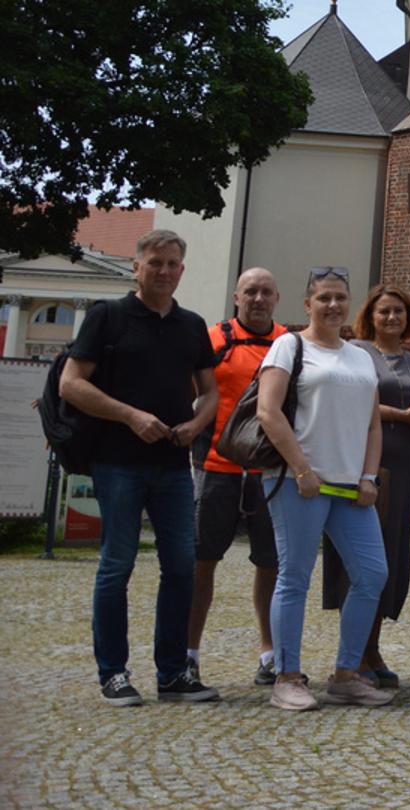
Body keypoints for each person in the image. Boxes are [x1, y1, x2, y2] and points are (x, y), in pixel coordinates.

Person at [61, 229, 221, 706]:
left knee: (180, 567)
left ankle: (173, 674)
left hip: (173, 463)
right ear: (136, 266)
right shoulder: (107, 317)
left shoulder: (192, 325)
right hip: (118, 462)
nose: (164, 271)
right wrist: (130, 416)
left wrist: (196, 424)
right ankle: (113, 673)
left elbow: (210, 391)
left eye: (173, 264)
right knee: (117, 565)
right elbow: (71, 384)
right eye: (155, 263)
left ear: (182, 270)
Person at [253, 267, 390, 711]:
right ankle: (287, 676)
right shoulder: (288, 346)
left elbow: (373, 423)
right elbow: (268, 412)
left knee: (372, 574)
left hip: (350, 487)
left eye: (340, 298)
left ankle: (346, 675)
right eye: (324, 298)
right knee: (294, 577)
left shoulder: (361, 356)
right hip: (301, 483)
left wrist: (369, 476)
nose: (333, 305)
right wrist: (300, 468)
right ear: (307, 304)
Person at [325, 284, 410, 690]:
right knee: (360, 559)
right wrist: (401, 415)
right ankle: (355, 653)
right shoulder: (356, 356)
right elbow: (353, 406)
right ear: (370, 316)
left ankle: (373, 646)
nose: (392, 318)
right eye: (384, 312)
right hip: (365, 466)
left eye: (399, 313)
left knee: (391, 557)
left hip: (403, 469)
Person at [186, 266, 286, 687]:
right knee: (201, 562)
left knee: (271, 564)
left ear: (277, 298)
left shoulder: (288, 342)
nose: (258, 299)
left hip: (270, 470)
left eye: (266, 292)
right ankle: (188, 653)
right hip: (216, 467)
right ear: (236, 297)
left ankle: (270, 653)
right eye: (251, 292)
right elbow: (186, 391)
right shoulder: (213, 339)